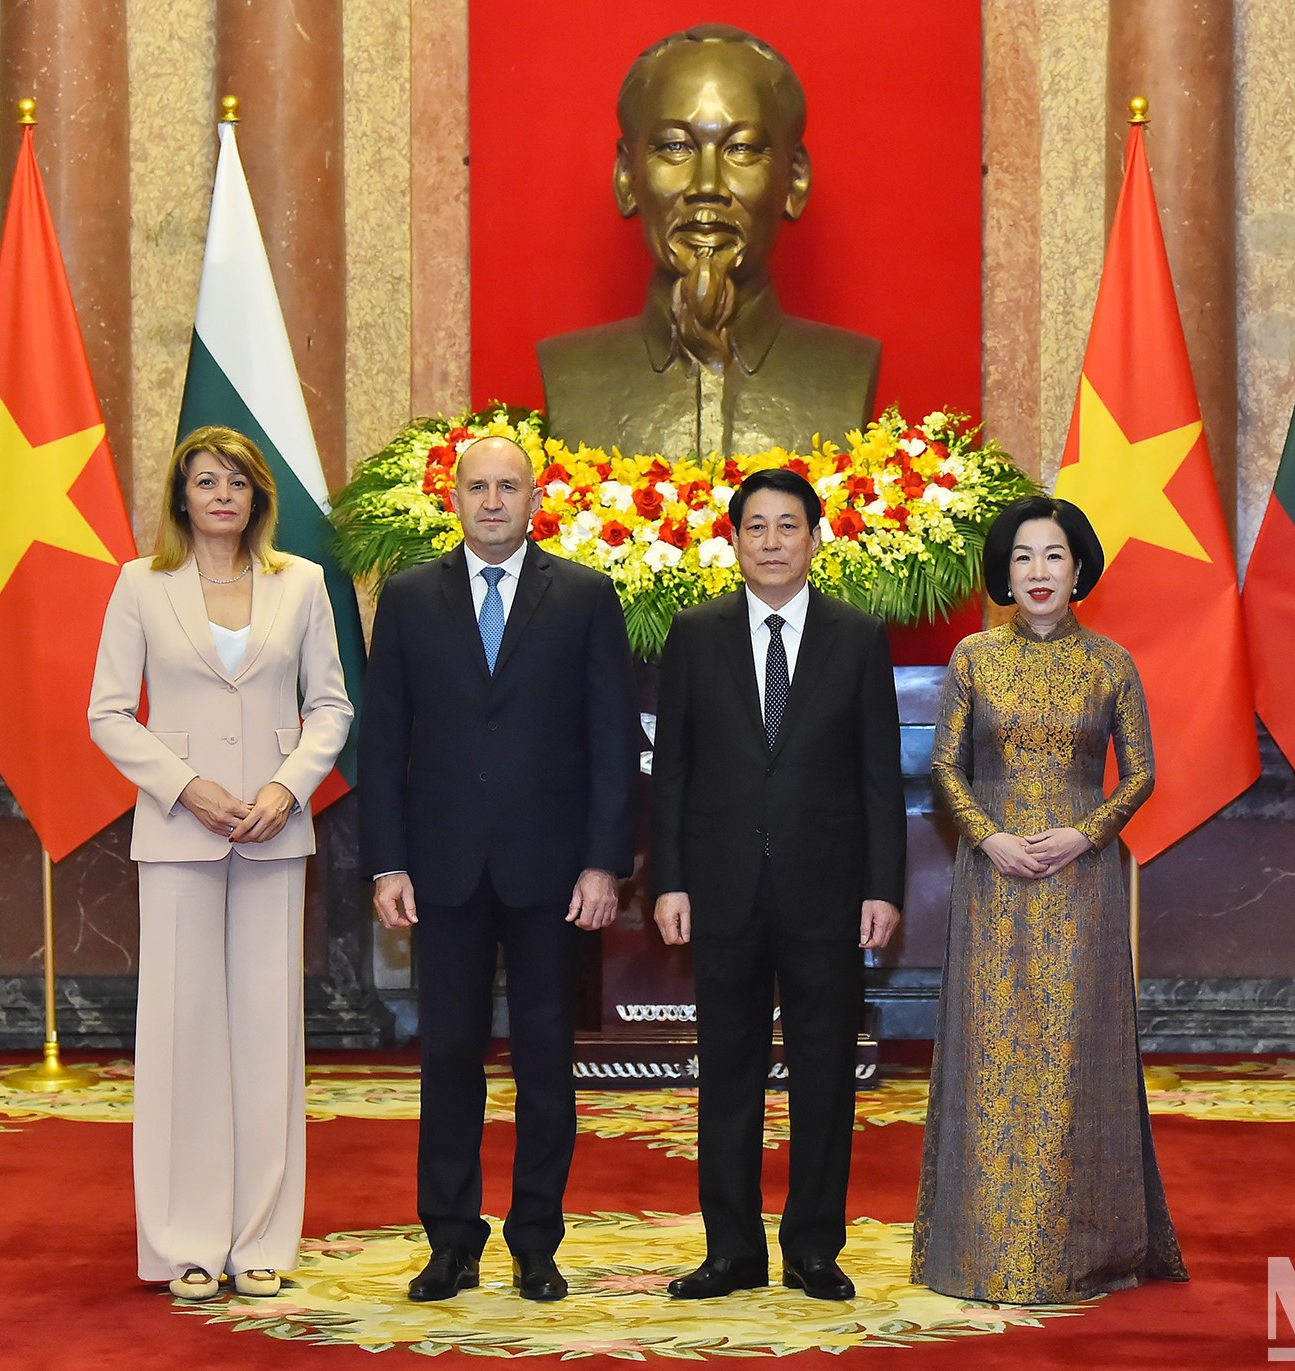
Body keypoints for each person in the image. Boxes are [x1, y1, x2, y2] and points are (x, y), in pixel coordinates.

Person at [359, 435, 637, 1304]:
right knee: (449, 1055)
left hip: (553, 874)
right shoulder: (407, 598)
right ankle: (450, 1240)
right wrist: (387, 862)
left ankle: (536, 1241)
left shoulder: (586, 597)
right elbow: (384, 740)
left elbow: (611, 742)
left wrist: (603, 863)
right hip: (440, 869)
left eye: (506, 486)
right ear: (454, 497)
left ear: (532, 497)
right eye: (476, 486)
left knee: (546, 1059)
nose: (491, 501)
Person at [88, 425, 353, 1303]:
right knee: (183, 1032)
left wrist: (286, 787)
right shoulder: (140, 584)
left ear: (258, 496)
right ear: (181, 496)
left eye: (237, 480)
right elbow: (111, 714)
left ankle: (263, 1240)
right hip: (179, 830)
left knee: (268, 1033)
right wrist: (187, 786)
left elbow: (330, 707)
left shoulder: (302, 583)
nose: (223, 494)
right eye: (206, 480)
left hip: (275, 830)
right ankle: (185, 1242)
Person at [913, 495, 1187, 1304]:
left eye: (1054, 556)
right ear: (1005, 571)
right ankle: (986, 1248)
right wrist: (988, 834)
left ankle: (1080, 1247)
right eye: (1024, 556)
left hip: (1080, 881)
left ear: (1078, 570)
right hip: (992, 877)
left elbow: (1140, 773)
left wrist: (1086, 832)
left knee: (1074, 1054)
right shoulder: (972, 657)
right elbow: (945, 768)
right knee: (992, 1057)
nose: (1038, 571)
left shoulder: (1111, 662)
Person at [650, 467, 905, 1302]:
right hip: (720, 887)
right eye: (754, 527)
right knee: (726, 1070)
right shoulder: (694, 632)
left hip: (827, 890)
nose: (770, 542)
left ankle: (813, 1248)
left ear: (814, 538)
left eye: (786, 526)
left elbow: (878, 775)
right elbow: (674, 772)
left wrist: (883, 885)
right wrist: (670, 880)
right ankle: (731, 1250)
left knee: (825, 1073)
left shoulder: (858, 635)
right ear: (734, 540)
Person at [537, 24, 879, 458]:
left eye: (742, 149)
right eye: (676, 147)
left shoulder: (847, 372)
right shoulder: (570, 372)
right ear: (627, 177)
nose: (707, 185)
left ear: (794, 180)